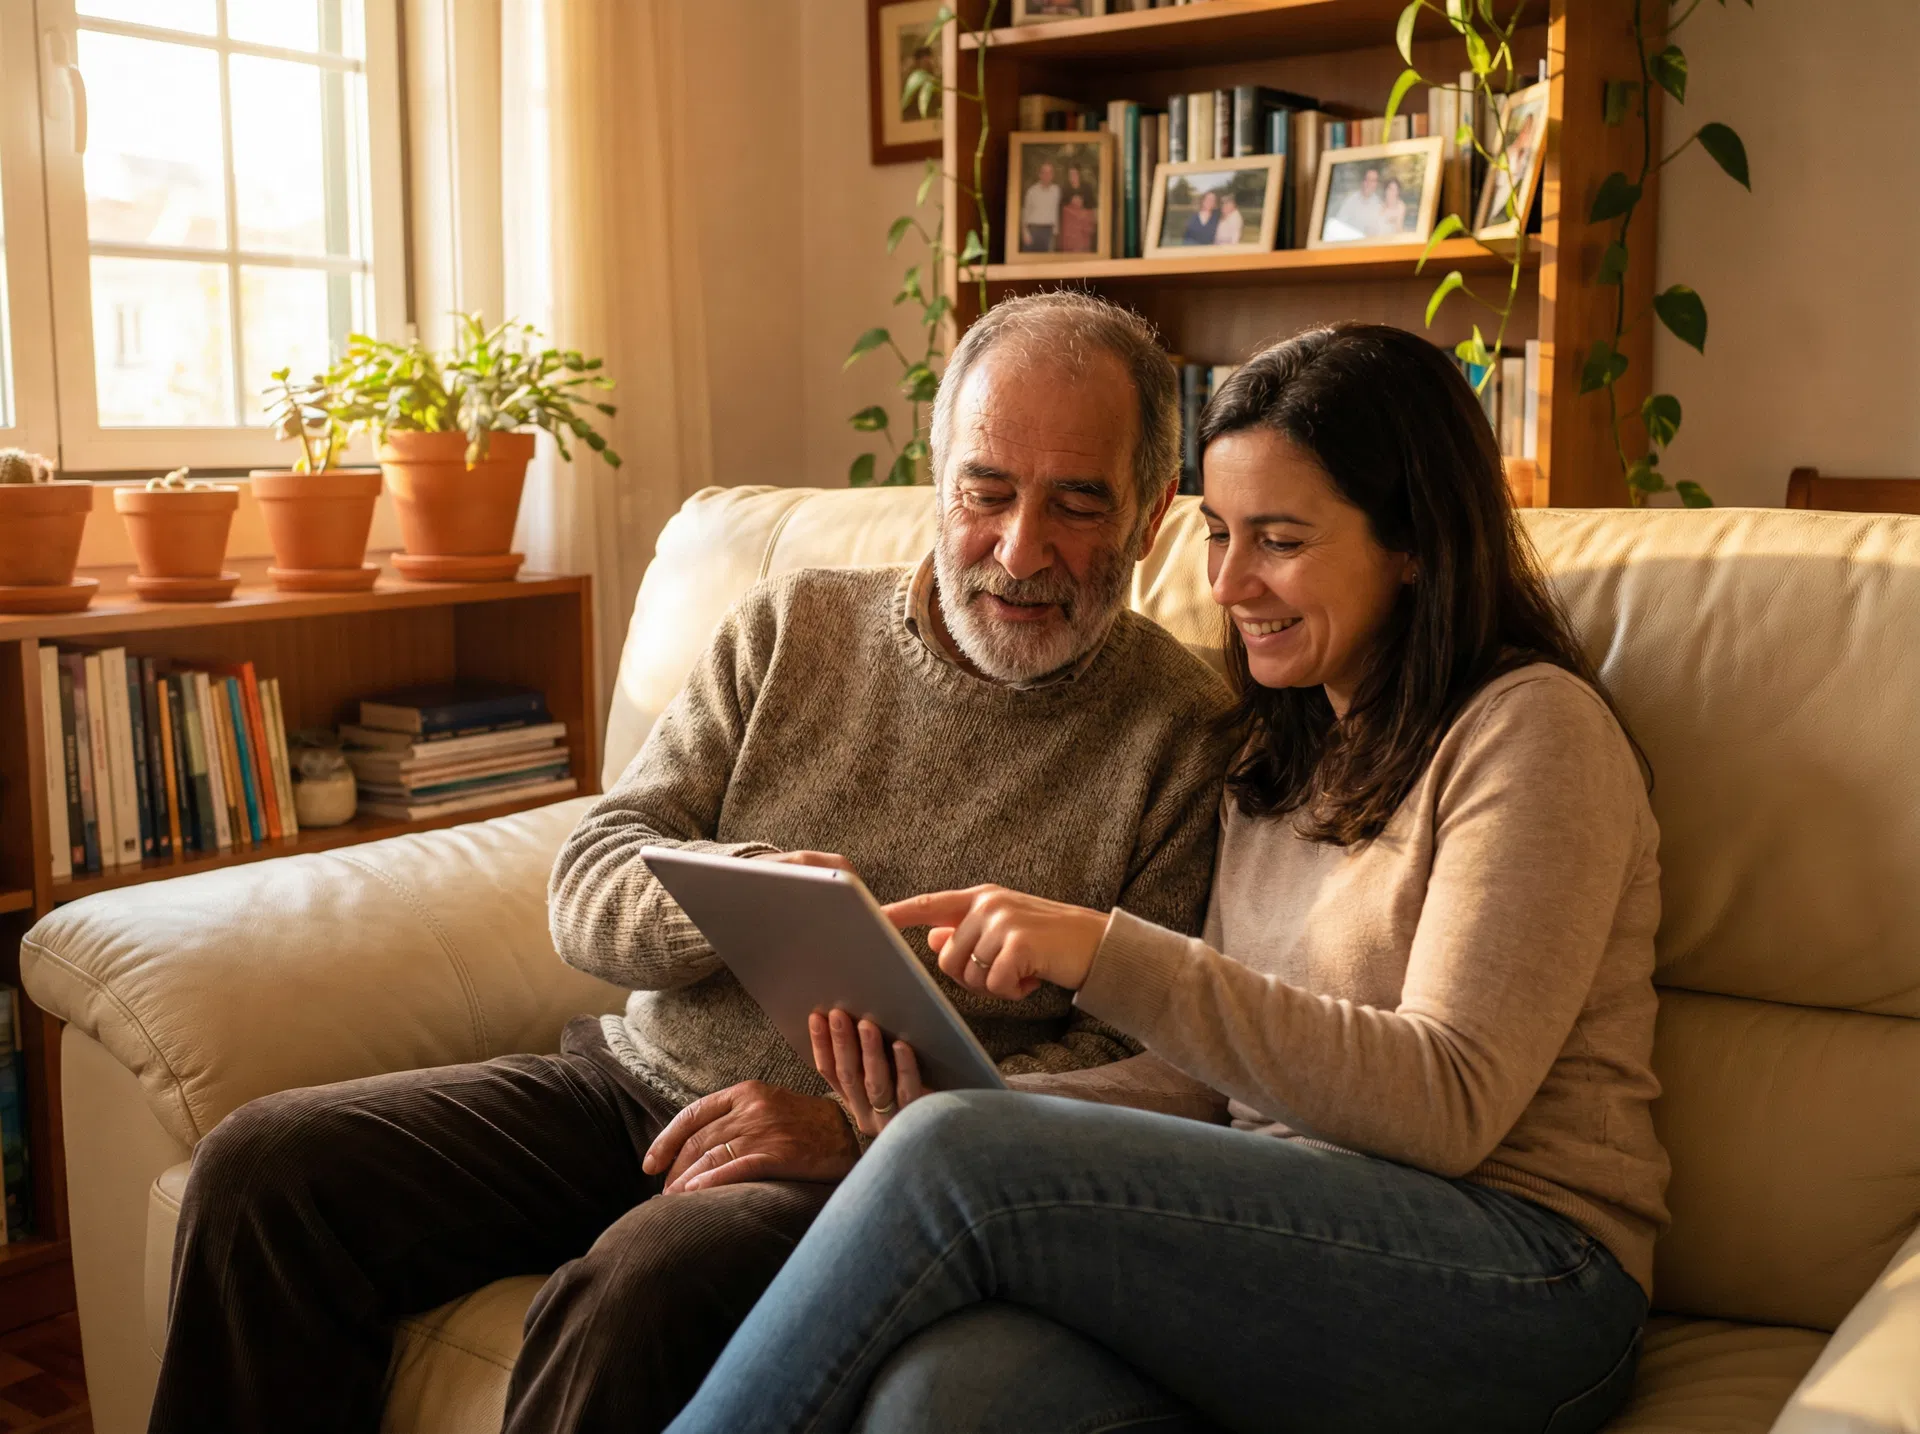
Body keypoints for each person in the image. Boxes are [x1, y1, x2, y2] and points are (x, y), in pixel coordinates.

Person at [148, 292, 1237, 1434]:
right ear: (937, 475)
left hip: (850, 1177)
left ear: (1151, 513)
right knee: (263, 1168)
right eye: (986, 491)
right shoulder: (792, 625)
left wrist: (856, 1131)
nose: (1020, 551)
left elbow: (1147, 1071)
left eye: (1075, 505)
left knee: (639, 1288)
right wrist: (738, 896)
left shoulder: (1188, 737)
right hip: (628, 1087)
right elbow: (591, 874)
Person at [666, 322, 1670, 1434]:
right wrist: (936, 1107)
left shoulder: (1532, 733)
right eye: (1219, 533)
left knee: (952, 1152)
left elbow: (1448, 1106)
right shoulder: (1276, 754)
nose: (1230, 584)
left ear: (1415, 542)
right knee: (943, 1397)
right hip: (1282, 1246)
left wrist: (1106, 957)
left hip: (1520, 1274)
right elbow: (1209, 1087)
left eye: (1279, 540)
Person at [1330, 165, 1384, 239]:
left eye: (1373, 181)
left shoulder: (1378, 203)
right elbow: (1339, 224)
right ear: (1363, 182)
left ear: (1376, 184)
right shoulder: (1350, 200)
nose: (1369, 183)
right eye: (1367, 179)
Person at [1022, 159, 1062, 252]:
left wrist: (1055, 233)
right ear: (1040, 174)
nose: (1047, 175)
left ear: (1052, 175)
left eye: (1049, 173)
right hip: (1033, 231)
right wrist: (1025, 233)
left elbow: (1056, 211)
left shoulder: (1056, 191)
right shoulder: (1032, 191)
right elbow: (1025, 212)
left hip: (1048, 232)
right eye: (1044, 172)